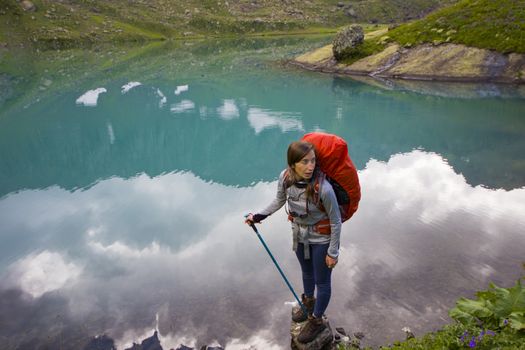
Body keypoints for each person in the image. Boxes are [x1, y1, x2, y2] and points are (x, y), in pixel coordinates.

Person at [245, 140, 341, 344]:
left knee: (322, 281)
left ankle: (316, 321)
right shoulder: (285, 177)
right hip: (299, 234)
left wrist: (333, 252)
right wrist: (259, 216)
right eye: (304, 162)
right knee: (306, 272)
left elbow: (336, 220)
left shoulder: (323, 188)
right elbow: (279, 200)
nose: (310, 166)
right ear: (293, 164)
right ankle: (308, 304)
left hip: (322, 239)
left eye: (313, 161)